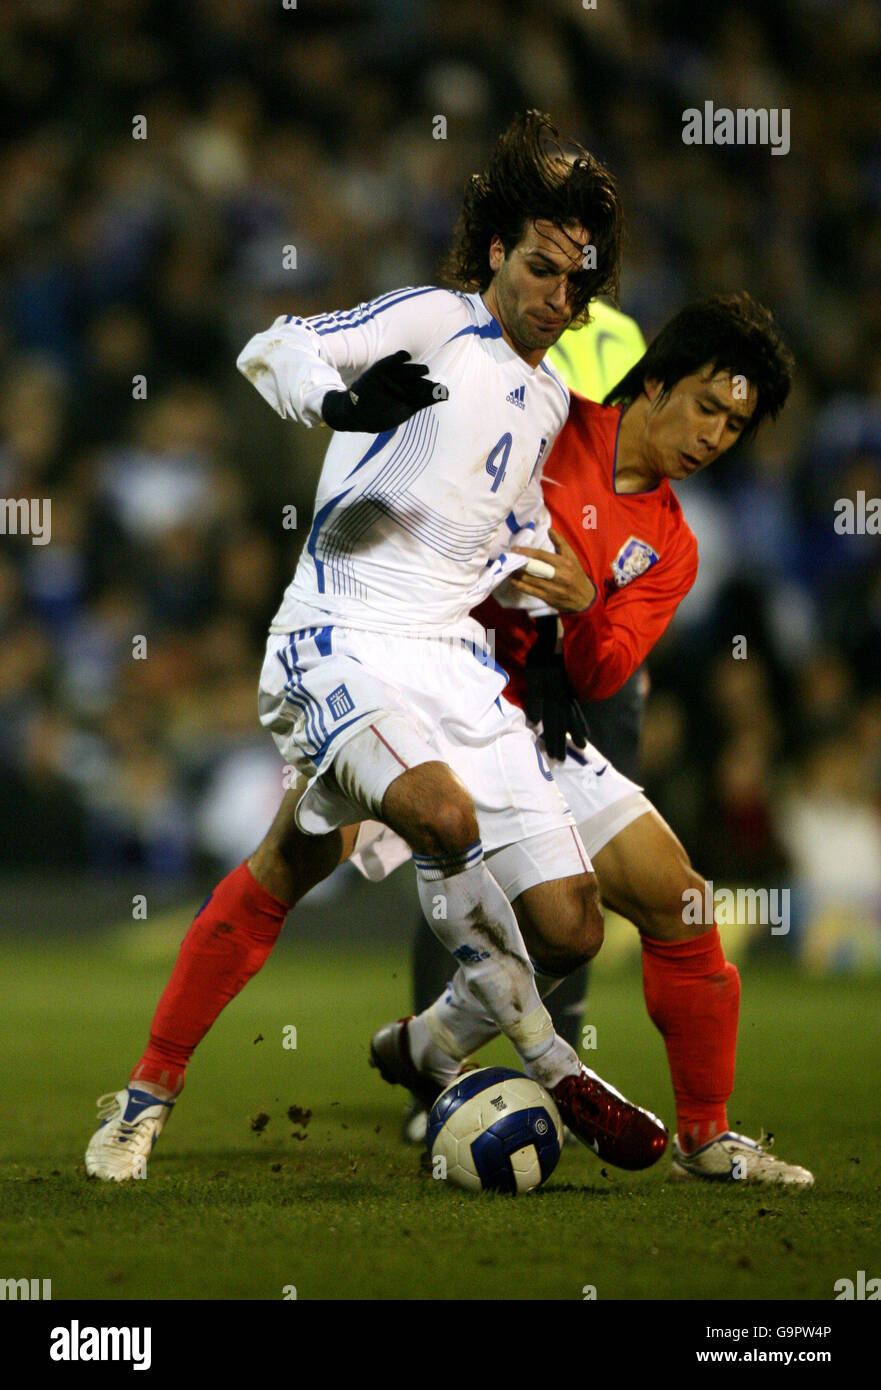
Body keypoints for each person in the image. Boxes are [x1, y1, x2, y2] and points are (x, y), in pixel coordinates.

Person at [85, 110, 668, 1182]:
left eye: (573, 287)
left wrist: (542, 639)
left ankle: (425, 1045)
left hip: (449, 661)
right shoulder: (435, 318)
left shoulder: (547, 396)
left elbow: (498, 527)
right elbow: (278, 344)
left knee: (571, 924)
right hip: (340, 635)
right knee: (438, 816)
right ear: (497, 252)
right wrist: (342, 400)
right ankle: (547, 1057)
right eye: (540, 270)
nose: (555, 299)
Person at [361, 293, 814, 1186]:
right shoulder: (548, 418)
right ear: (653, 382)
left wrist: (582, 605)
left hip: (538, 726)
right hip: (423, 688)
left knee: (680, 903)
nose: (714, 435)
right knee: (284, 868)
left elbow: (605, 673)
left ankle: (703, 1136)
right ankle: (149, 1093)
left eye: (734, 423)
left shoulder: (673, 543)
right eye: (704, 405)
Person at [405, 301, 648, 1142]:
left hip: (587, 645)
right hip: (485, 638)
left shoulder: (613, 334)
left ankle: (547, 1058)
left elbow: (624, 479)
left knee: (573, 868)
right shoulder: (494, 327)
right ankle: (440, 1080)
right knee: (454, 850)